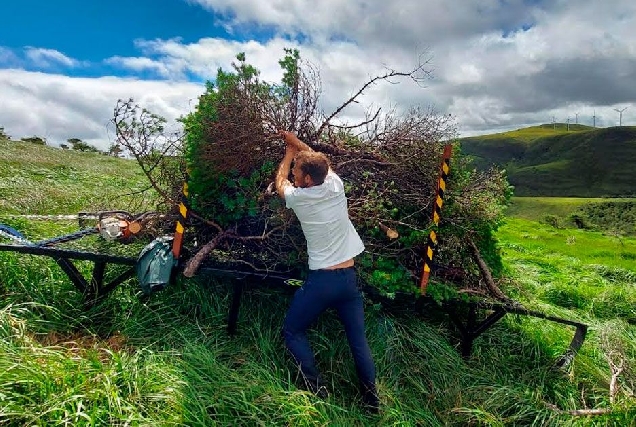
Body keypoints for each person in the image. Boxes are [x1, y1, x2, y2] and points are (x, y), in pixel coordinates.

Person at [275, 130, 379, 412]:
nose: (295, 175)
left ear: (308, 180)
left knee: (293, 330)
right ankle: (372, 403)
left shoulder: (299, 198)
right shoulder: (335, 185)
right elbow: (318, 162)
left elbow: (280, 183)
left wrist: (287, 155)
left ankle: (316, 389)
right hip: (348, 281)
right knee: (358, 341)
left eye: (298, 172)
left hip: (322, 282)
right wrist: (296, 143)